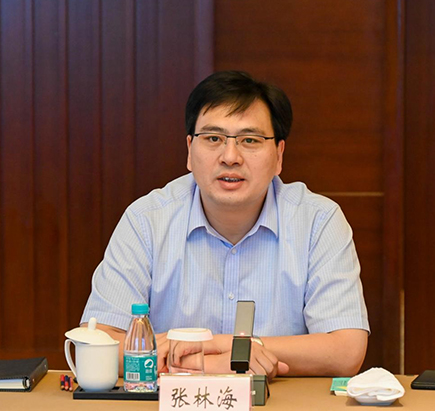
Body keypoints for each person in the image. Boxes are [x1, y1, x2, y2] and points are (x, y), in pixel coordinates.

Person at [80, 70, 369, 379]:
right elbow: (98, 343)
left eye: (250, 140)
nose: (230, 157)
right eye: (213, 138)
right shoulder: (146, 220)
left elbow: (346, 351)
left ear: (279, 155)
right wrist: (215, 362)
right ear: (189, 150)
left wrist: (218, 348)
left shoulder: (318, 222)